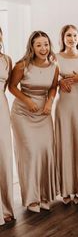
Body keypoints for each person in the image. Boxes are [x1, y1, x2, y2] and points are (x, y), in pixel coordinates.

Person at [9, 31, 58, 213]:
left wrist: (49, 102)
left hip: (43, 113)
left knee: (45, 151)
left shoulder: (54, 65)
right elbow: (12, 87)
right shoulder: (22, 65)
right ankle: (31, 198)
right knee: (30, 152)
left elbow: (53, 87)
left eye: (46, 44)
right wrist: (27, 101)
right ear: (32, 47)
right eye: (39, 45)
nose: (43, 48)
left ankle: (44, 195)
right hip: (22, 113)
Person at [55, 25, 78, 204]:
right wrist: (60, 81)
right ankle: (66, 189)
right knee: (65, 143)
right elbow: (50, 81)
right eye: (69, 35)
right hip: (64, 104)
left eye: (75, 35)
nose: (72, 38)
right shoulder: (56, 56)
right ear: (63, 37)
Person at [0, 27, 14, 224]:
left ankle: (5, 206)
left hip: (1, 105)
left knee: (3, 153)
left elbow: (8, 85)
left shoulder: (7, 60)